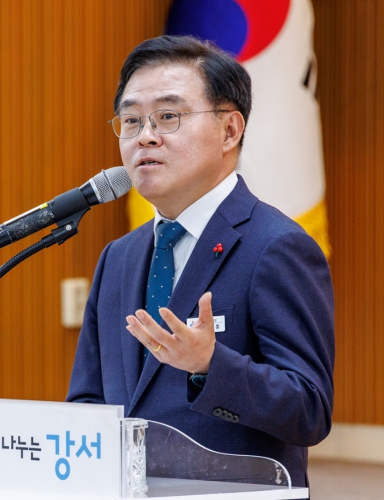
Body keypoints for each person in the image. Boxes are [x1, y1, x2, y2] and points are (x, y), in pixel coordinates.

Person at [66, 35, 334, 488]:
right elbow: (88, 400)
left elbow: (310, 410)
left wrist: (212, 365)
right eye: (131, 121)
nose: (145, 136)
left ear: (230, 130)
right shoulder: (119, 257)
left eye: (168, 116)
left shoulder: (277, 246)